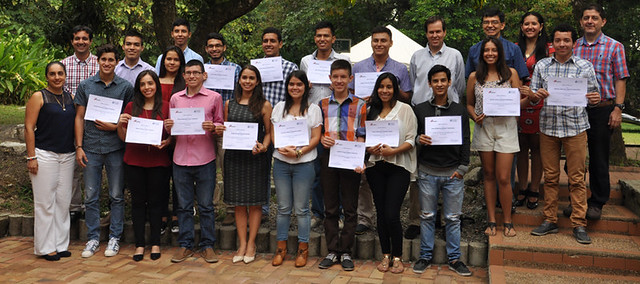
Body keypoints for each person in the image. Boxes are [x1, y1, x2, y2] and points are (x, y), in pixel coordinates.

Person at [528, 23, 600, 245]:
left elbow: (594, 95)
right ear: (552, 43)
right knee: (550, 177)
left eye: (566, 40)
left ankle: (579, 223)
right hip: (548, 128)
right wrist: (536, 95)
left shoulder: (584, 66)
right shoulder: (542, 66)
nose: (561, 44)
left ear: (573, 42)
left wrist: (594, 98)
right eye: (558, 40)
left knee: (577, 178)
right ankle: (550, 220)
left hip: (576, 127)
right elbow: (531, 96)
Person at [406, 15, 466, 240]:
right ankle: (415, 219)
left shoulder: (455, 56)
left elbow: (458, 85)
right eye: (431, 32)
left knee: (446, 166)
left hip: (448, 118)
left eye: (438, 31)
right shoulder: (416, 56)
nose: (435, 35)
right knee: (419, 167)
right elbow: (415, 85)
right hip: (421, 115)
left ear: (444, 32)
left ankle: (444, 219)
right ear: (426, 34)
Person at [350, 26, 412, 235]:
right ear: (371, 42)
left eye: (383, 40)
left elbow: (407, 96)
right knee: (365, 177)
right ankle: (365, 218)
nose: (379, 44)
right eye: (375, 40)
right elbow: (351, 94)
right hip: (367, 119)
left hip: (391, 125)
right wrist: (364, 99)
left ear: (390, 43)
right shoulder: (358, 67)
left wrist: (387, 91)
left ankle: (386, 219)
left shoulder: (401, 69)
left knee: (383, 176)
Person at [570, 4, 630, 220]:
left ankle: (596, 202)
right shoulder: (574, 46)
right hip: (575, 110)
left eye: (594, 18)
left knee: (598, 158)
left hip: (603, 110)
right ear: (581, 21)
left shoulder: (615, 47)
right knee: (573, 160)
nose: (590, 21)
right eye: (586, 17)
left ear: (602, 21)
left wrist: (618, 108)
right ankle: (577, 201)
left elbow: (620, 78)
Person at [74, 44, 134, 258]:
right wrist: (79, 146)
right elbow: (79, 117)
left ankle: (114, 237)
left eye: (111, 60)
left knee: (116, 195)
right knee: (91, 195)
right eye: (103, 59)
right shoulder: (86, 85)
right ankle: (92, 238)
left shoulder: (126, 87)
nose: (107, 63)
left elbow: (129, 119)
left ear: (117, 62)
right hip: (90, 147)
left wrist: (115, 126)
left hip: (116, 147)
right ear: (97, 61)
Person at [412, 64, 471, 276]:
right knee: (427, 216)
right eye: (435, 81)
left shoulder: (459, 110)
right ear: (429, 83)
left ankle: (455, 258)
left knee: (453, 218)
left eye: (443, 80)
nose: (439, 84)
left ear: (449, 82)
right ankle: (425, 256)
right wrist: (419, 139)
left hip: (453, 173)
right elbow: (412, 137)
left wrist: (463, 168)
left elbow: (465, 140)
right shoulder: (419, 109)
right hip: (427, 172)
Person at [466, 37, 526, 238]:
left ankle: (507, 221)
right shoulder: (475, 76)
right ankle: (491, 220)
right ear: (481, 54)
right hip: (485, 128)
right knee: (488, 175)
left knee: (503, 177)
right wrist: (475, 117)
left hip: (507, 127)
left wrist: (531, 97)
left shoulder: (511, 74)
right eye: (486, 50)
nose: (490, 53)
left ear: (500, 52)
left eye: (494, 50)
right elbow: (469, 104)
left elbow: (519, 103)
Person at [165, 60, 224, 263]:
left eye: (196, 73)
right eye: (188, 73)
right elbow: (170, 129)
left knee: (207, 205)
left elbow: (220, 125)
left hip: (205, 157)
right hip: (180, 158)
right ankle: (185, 244)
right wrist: (168, 125)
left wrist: (213, 127)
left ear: (203, 75)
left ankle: (208, 245)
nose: (191, 76)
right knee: (183, 206)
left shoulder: (214, 98)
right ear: (183, 76)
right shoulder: (175, 99)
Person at [216, 65, 272, 264]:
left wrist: (264, 147)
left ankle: (251, 243)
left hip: (255, 158)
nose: (247, 81)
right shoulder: (229, 103)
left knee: (255, 203)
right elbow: (225, 128)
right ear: (239, 80)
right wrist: (219, 130)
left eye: (251, 78)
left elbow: (268, 133)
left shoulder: (264, 104)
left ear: (257, 82)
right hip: (234, 158)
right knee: (239, 204)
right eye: (244, 78)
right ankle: (241, 243)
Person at [116, 70, 172, 261]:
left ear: (156, 85)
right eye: (143, 84)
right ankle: (140, 244)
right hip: (134, 161)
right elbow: (123, 138)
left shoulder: (166, 106)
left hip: (158, 162)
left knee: (156, 204)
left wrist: (169, 140)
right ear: (138, 87)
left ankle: (155, 243)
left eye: (150, 83)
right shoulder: (131, 107)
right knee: (138, 203)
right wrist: (120, 125)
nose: (147, 87)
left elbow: (171, 136)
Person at [300, 20, 350, 231]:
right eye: (319, 36)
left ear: (333, 39)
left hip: (336, 119)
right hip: (312, 121)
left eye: (326, 36)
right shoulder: (305, 61)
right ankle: (318, 213)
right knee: (316, 170)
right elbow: (298, 89)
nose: (322, 39)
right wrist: (306, 86)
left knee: (337, 168)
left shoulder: (342, 60)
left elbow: (348, 87)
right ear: (315, 38)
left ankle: (337, 213)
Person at [317, 59, 367, 271]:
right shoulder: (322, 104)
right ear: (329, 79)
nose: (339, 80)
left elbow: (362, 134)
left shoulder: (360, 104)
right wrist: (321, 138)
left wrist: (360, 158)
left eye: (343, 77)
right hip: (329, 158)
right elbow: (317, 132)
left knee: (350, 207)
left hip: (350, 159)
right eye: (335, 77)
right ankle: (332, 249)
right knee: (329, 207)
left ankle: (345, 251)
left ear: (350, 79)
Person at [364, 73, 416, 274]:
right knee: (381, 213)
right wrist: (370, 150)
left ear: (395, 89)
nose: (384, 91)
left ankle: (398, 256)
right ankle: (385, 254)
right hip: (375, 167)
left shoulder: (406, 110)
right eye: (381, 87)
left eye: (389, 87)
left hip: (398, 166)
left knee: (392, 214)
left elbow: (412, 139)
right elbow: (363, 138)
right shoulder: (370, 110)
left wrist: (393, 151)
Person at [25, 62, 76, 261]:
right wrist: (31, 157)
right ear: (46, 76)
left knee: (63, 202)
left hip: (67, 155)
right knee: (45, 203)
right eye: (52, 74)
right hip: (44, 154)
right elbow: (29, 128)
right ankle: (45, 247)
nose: (57, 77)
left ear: (65, 75)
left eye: (60, 73)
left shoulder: (70, 97)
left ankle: (61, 244)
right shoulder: (39, 97)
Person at [270, 71, 322, 268]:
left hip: (305, 163)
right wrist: (280, 148)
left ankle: (303, 248)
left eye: (299, 84)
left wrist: (299, 152)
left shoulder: (314, 109)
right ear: (287, 86)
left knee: (301, 209)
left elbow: (316, 137)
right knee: (283, 208)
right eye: (291, 84)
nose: (295, 88)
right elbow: (273, 133)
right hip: (281, 162)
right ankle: (281, 248)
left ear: (306, 87)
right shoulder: (279, 107)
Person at [514, 12, 553, 210]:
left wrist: (536, 92)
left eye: (534, 24)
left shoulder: (549, 49)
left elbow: (555, 75)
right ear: (521, 27)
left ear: (541, 26)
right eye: (526, 24)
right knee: (520, 148)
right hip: (518, 102)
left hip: (540, 102)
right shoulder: (514, 49)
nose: (530, 27)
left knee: (537, 149)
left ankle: (534, 189)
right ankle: (521, 187)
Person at [61, 25, 99, 223]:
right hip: (70, 119)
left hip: (95, 121)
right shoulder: (63, 64)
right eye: (77, 39)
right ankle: (75, 206)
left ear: (91, 41)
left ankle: (92, 203)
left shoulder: (99, 64)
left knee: (92, 164)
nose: (81, 42)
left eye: (85, 38)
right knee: (73, 163)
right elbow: (58, 89)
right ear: (72, 41)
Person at [259, 27, 298, 217]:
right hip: (260, 125)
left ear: (280, 44)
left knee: (288, 166)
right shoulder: (255, 67)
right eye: (265, 41)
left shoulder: (291, 68)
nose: (268, 44)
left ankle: (290, 210)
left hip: (285, 125)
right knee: (263, 168)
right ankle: (264, 209)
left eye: (272, 41)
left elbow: (296, 95)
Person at [204, 32, 242, 226]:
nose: (214, 49)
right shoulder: (201, 70)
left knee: (228, 169)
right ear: (206, 49)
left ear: (224, 48)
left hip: (226, 128)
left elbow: (240, 97)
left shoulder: (235, 69)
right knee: (206, 170)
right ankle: (208, 208)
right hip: (204, 127)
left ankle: (230, 209)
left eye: (218, 45)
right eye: (210, 46)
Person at [158, 45, 186, 234]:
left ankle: (177, 215)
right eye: (169, 59)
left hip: (180, 137)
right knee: (160, 178)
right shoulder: (155, 81)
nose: (172, 62)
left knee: (178, 179)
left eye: (176, 59)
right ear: (163, 61)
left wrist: (173, 137)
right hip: (157, 135)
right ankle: (161, 215)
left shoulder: (185, 83)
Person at [465, 8, 528, 80]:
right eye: (486, 22)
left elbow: (521, 78)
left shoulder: (513, 49)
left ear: (502, 25)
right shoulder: (474, 50)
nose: (490, 25)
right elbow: (470, 78)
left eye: (494, 22)